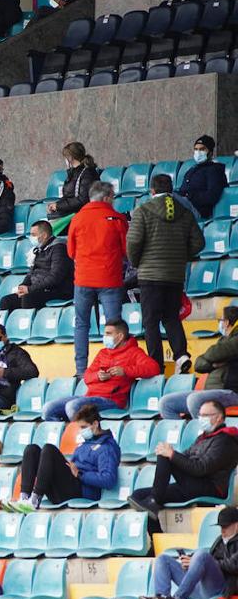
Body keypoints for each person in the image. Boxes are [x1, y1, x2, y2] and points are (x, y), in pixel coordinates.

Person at [128, 173, 204, 372]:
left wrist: (137, 262)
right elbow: (199, 243)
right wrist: (179, 256)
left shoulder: (143, 210)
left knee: (151, 321)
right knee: (171, 317)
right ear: (170, 189)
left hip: (150, 276)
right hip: (175, 276)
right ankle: (180, 355)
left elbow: (134, 241)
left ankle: (156, 364)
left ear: (152, 190)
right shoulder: (184, 212)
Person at [130, 398, 238, 515]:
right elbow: (185, 457)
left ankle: (155, 500)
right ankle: (156, 523)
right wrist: (171, 453)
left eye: (205, 415)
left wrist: (171, 454)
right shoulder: (203, 438)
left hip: (209, 487)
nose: (201, 419)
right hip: (190, 484)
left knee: (165, 456)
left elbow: (201, 469)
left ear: (219, 417)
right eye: (200, 415)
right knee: (138, 495)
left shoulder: (225, 440)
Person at [44, 319, 160, 421]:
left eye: (108, 334)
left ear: (120, 336)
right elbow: (87, 376)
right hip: (89, 397)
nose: (105, 337)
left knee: (73, 407)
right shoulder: (102, 353)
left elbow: (153, 368)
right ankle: (66, 435)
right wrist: (98, 376)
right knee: (48, 409)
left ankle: (79, 438)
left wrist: (125, 370)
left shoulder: (134, 352)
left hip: (111, 400)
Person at [162, 306, 238, 419]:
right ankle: (188, 435)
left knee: (195, 400)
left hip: (230, 393)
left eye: (220, 320)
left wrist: (211, 358)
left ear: (226, 323)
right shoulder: (222, 341)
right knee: (166, 403)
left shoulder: (234, 341)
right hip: (210, 392)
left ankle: (207, 434)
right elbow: (199, 364)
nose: (220, 324)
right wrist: (212, 364)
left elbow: (214, 352)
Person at [0, 220, 74, 310]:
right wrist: (23, 286)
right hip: (38, 290)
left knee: (28, 298)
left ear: (45, 235)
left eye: (34, 235)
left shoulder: (59, 248)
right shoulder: (38, 250)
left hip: (57, 291)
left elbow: (55, 277)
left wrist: (30, 289)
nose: (31, 237)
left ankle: (28, 323)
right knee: (6, 301)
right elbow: (31, 272)